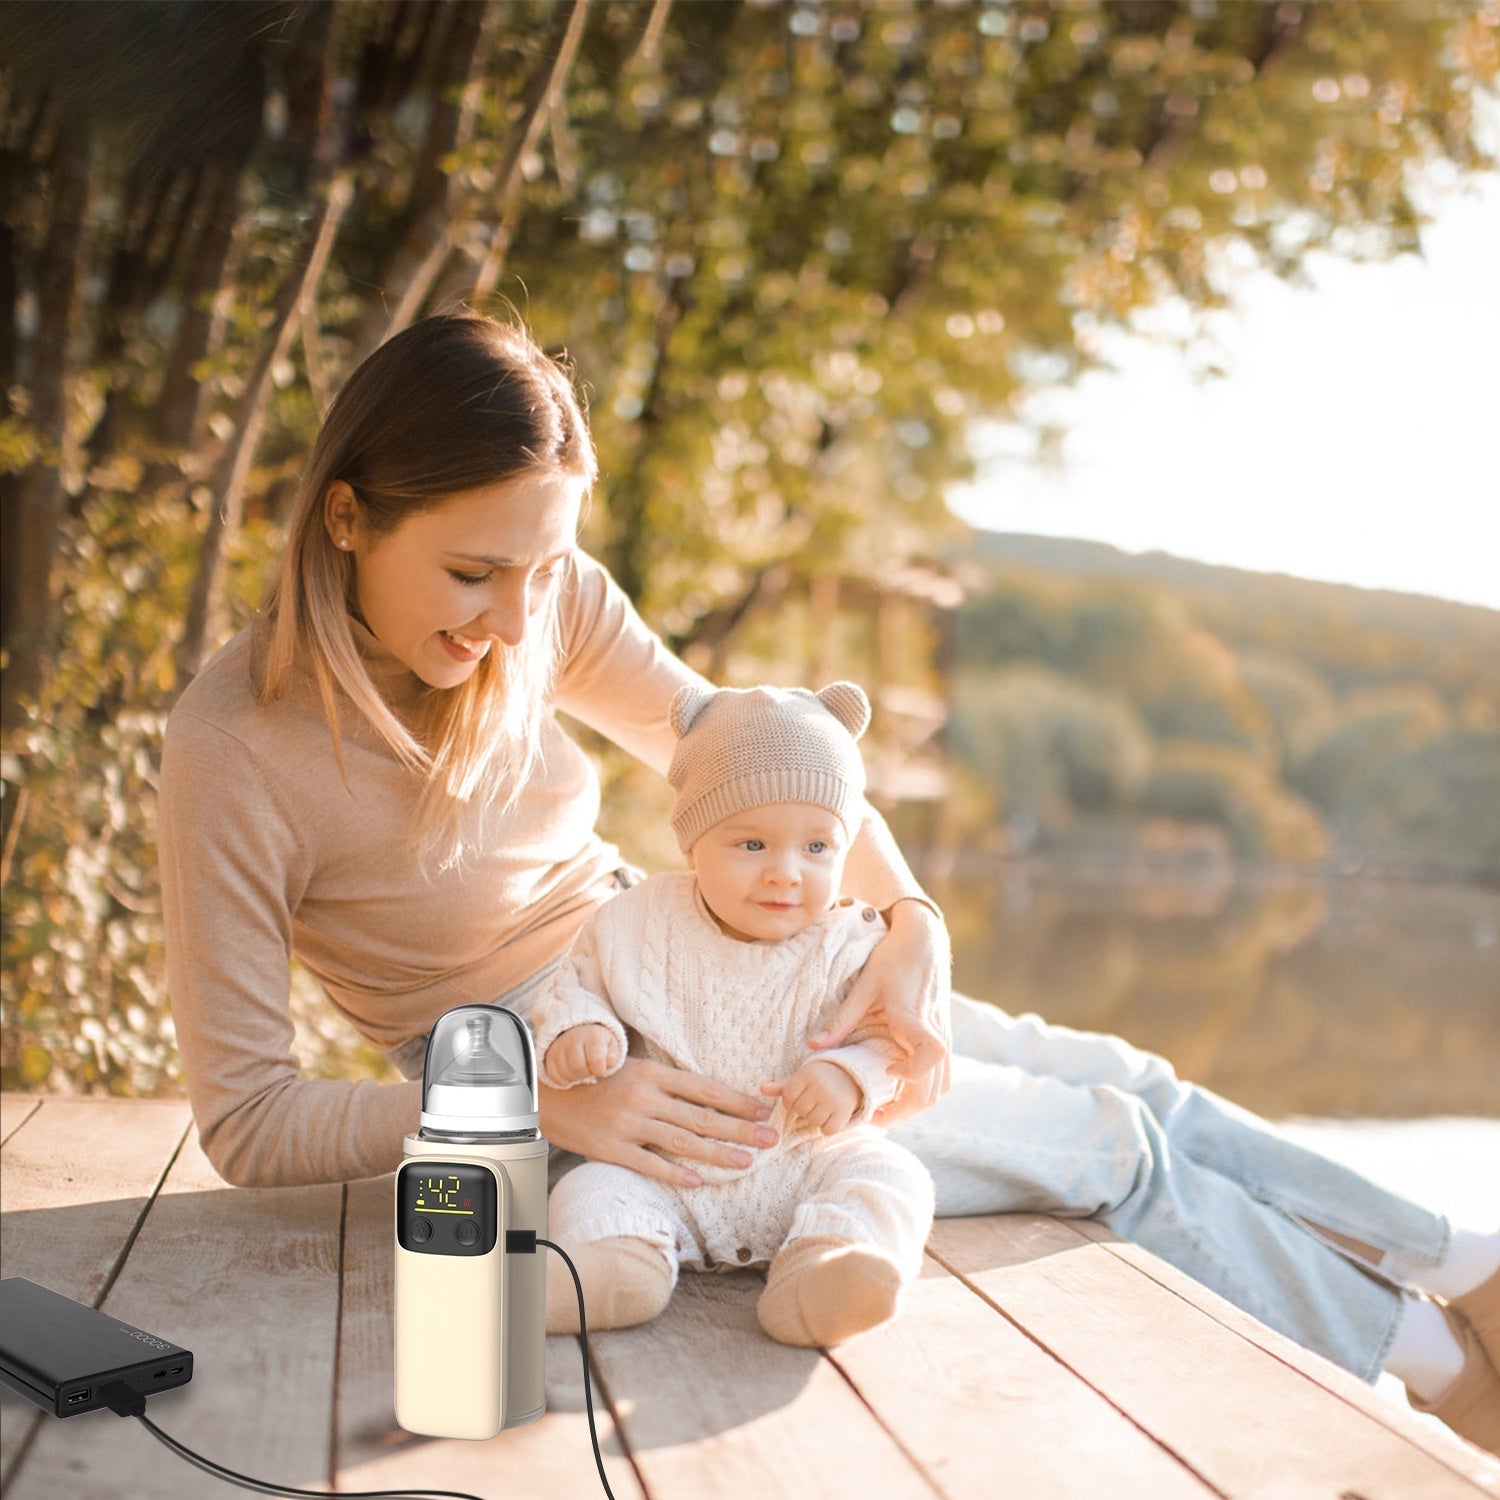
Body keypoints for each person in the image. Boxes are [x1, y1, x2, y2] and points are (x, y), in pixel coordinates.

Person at [158, 312, 1499, 1453]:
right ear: (345, 516)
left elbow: (752, 753)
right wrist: (530, 1104)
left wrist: (909, 923)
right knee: (1109, 1146)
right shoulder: (232, 754)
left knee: (1130, 1076)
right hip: (604, 1085)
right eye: (473, 572)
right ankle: (1436, 1374)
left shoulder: (544, 601)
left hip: (720, 946)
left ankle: (1468, 1264)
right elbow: (251, 1121)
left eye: (544, 569)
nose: (517, 620)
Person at [529, 680, 936, 1347]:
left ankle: (826, 1270)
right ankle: (609, 1269)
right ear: (693, 843)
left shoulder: (853, 941)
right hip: (665, 1171)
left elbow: (884, 1041)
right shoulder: (638, 921)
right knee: (592, 1186)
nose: (786, 873)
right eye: (752, 846)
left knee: (891, 1175)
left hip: (805, 1162)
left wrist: (848, 1076)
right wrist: (583, 1029)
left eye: (817, 848)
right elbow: (578, 983)